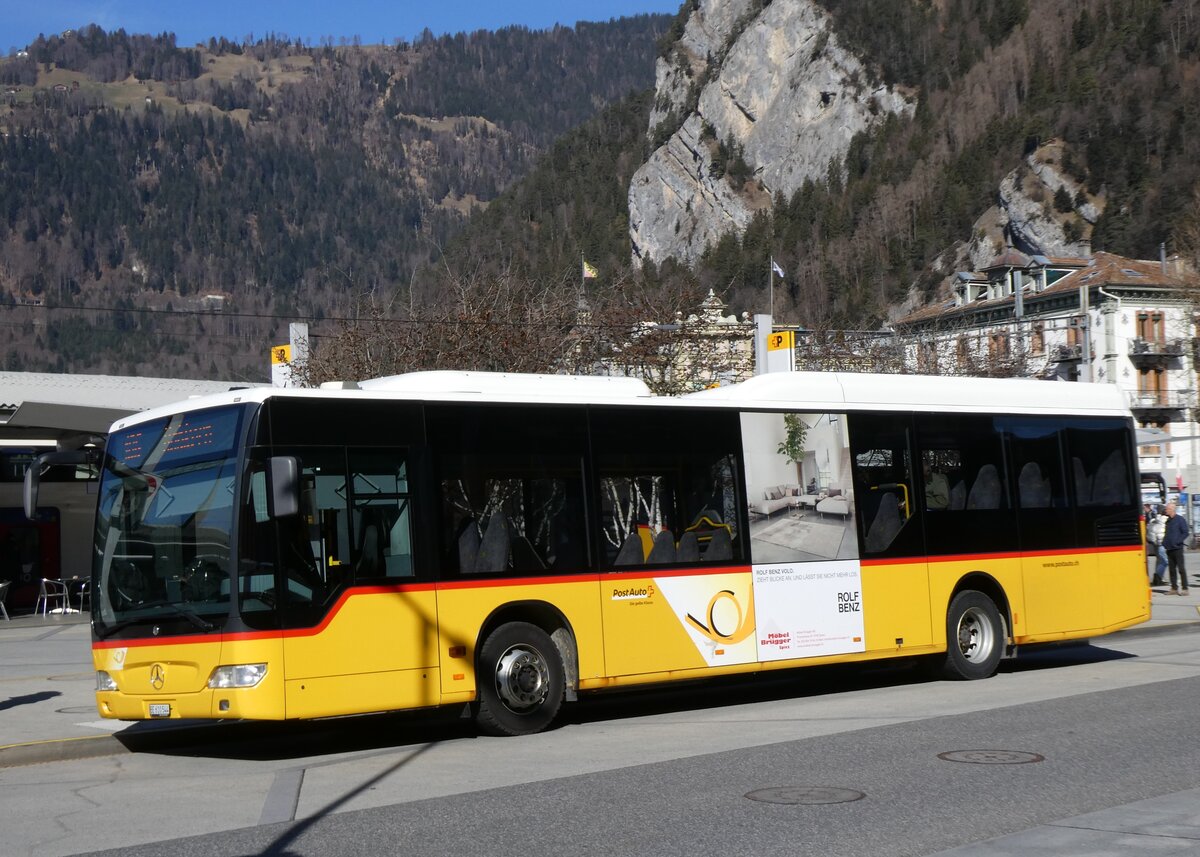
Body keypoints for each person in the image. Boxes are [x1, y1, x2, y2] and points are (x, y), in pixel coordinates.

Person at [1162, 502, 1190, 595]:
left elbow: (1185, 532)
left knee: (1181, 569)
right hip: (1169, 548)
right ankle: (1174, 588)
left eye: (1167, 509)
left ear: (1172, 510)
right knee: (1172, 569)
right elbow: (1166, 533)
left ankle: (1185, 588)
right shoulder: (1168, 521)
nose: (1166, 510)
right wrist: (1164, 542)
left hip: (1178, 548)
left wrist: (1178, 541)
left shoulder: (1180, 520)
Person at [1146, 505, 1168, 587]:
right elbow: (1161, 532)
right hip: (1162, 543)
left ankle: (1159, 578)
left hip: (1155, 543)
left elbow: (1150, 532)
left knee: (1159, 561)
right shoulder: (1164, 520)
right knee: (1164, 561)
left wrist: (1153, 540)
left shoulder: (1153, 520)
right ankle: (1158, 578)